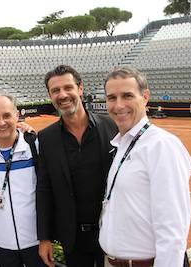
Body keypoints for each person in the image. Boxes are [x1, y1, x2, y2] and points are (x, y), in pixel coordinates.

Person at [99, 67, 191, 267]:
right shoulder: (122, 143)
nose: (118, 105)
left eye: (127, 96)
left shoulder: (162, 145)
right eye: (111, 98)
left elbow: (173, 229)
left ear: (145, 97)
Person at [36, 65, 118, 267]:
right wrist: (44, 237)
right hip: (72, 238)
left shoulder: (113, 127)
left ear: (80, 89)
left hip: (112, 231)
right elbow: (44, 189)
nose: (62, 95)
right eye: (55, 90)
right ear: (50, 95)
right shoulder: (46, 138)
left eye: (68, 87)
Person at [0, 93, 45, 267]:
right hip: (1, 242)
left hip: (36, 241)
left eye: (7, 115)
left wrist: (47, 236)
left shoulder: (35, 145)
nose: (1, 122)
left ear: (17, 115)